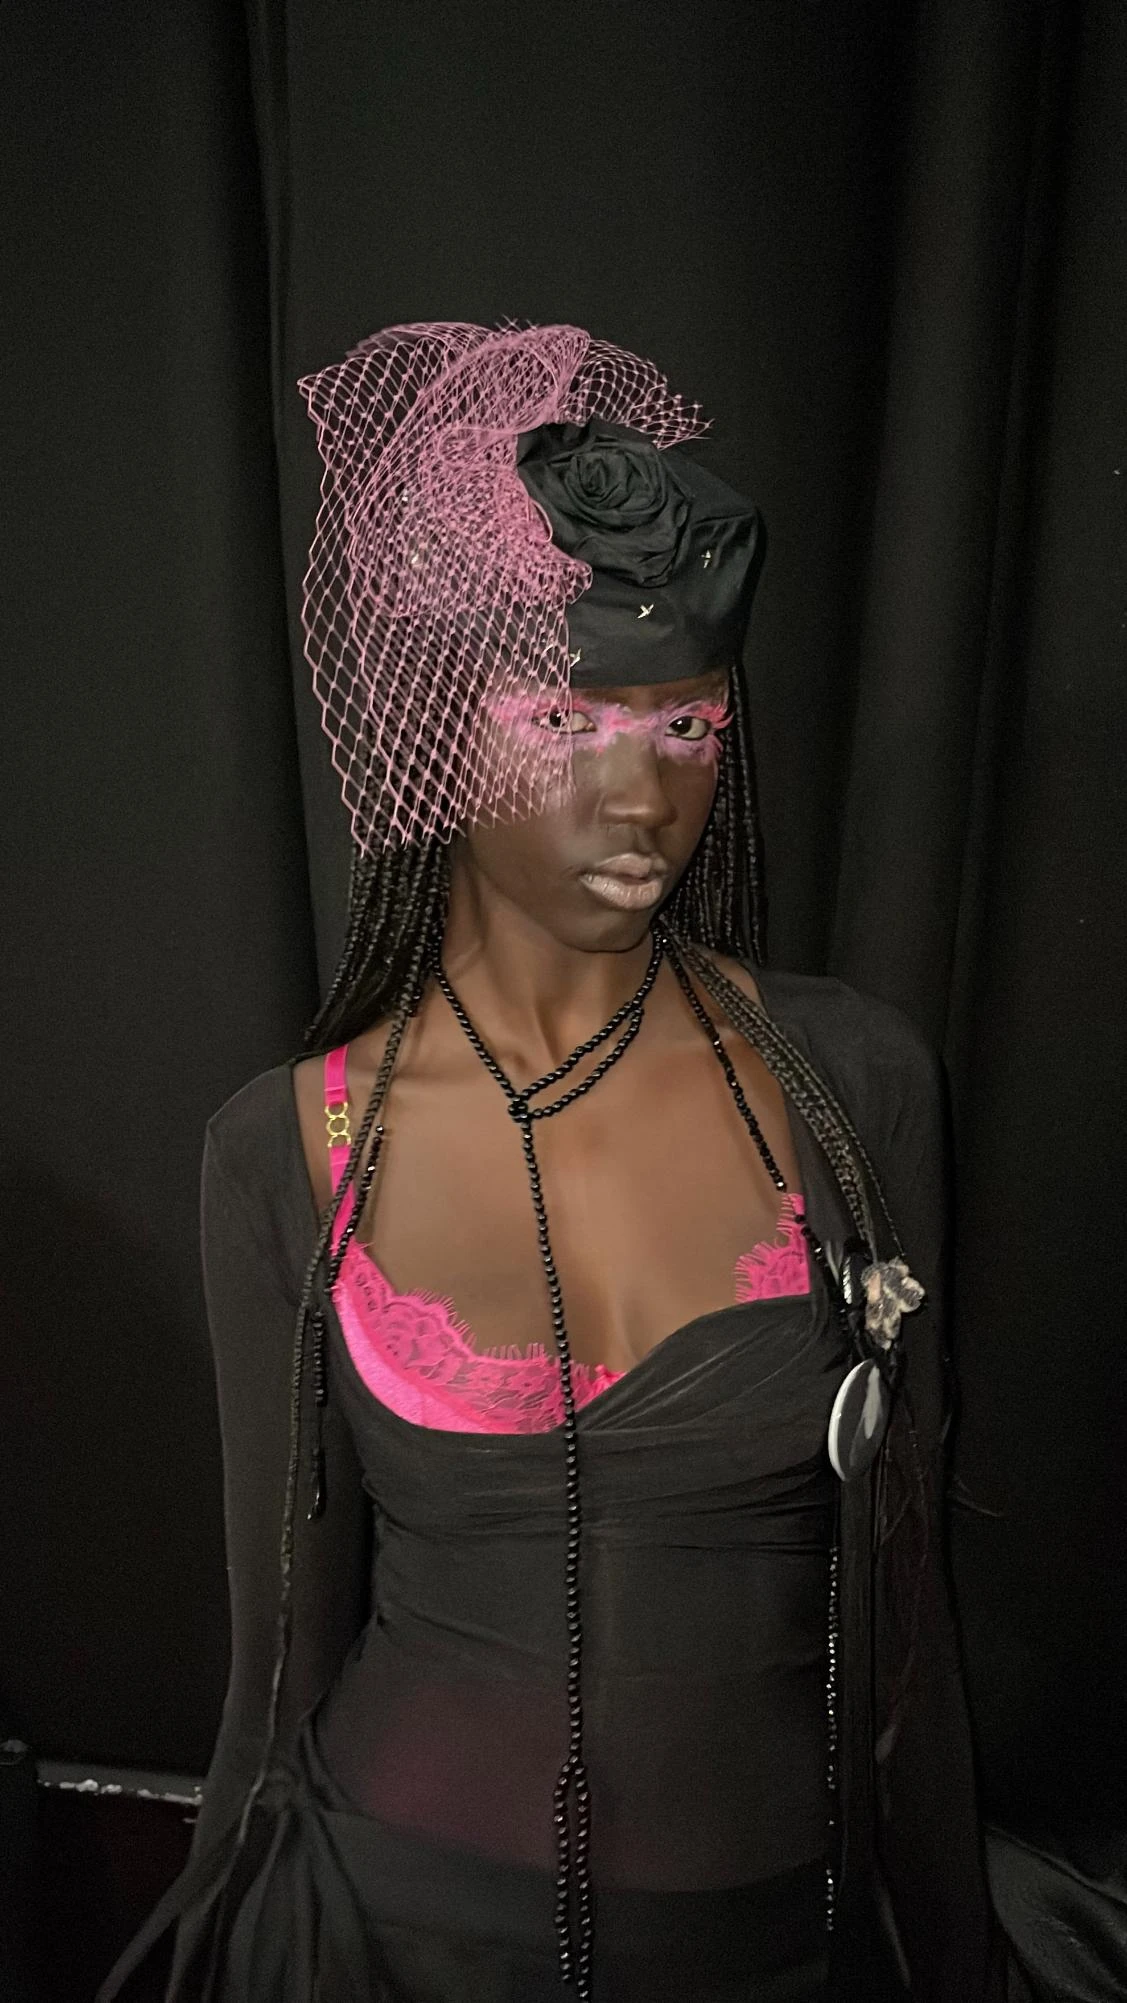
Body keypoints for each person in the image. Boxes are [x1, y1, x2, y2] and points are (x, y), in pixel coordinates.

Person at [98, 321, 1013, 2002]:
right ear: (427, 730)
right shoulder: (289, 1149)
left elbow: (911, 1628)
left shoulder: (852, 1081)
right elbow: (277, 1660)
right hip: (386, 1934)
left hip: (781, 1944)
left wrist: (942, 1949)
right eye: (560, 717)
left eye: (686, 729)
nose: (638, 795)